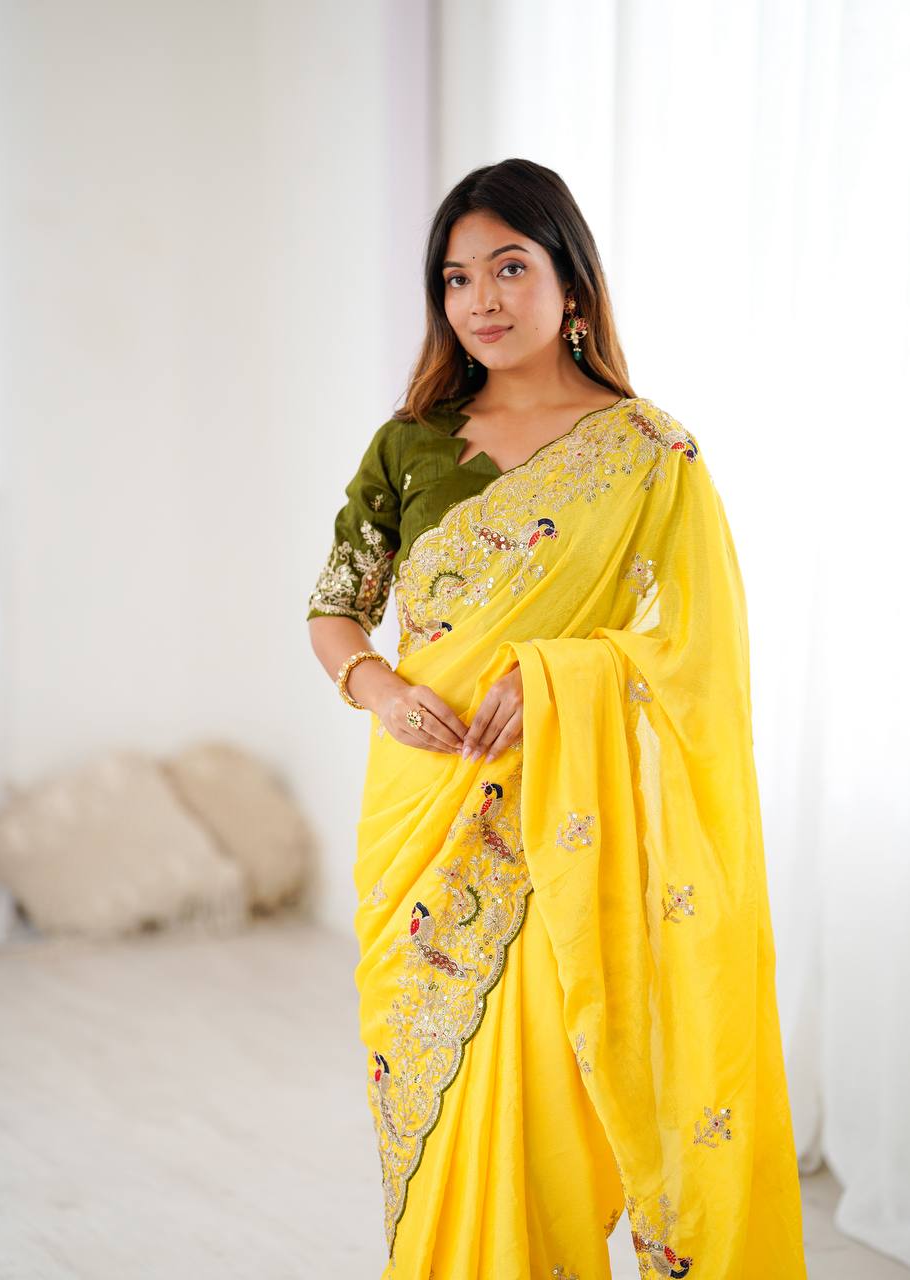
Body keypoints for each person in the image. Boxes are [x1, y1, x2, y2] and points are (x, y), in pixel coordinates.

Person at [307, 158, 807, 1280]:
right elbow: (336, 608)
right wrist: (380, 688)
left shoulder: (649, 453)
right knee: (436, 1099)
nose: (479, 299)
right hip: (422, 810)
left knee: (541, 1102)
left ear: (570, 283)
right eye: (455, 278)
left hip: (562, 826)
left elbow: (699, 654)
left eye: (508, 268)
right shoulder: (410, 442)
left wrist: (554, 679)